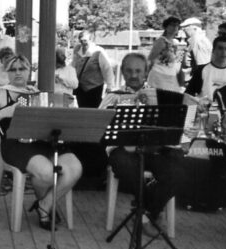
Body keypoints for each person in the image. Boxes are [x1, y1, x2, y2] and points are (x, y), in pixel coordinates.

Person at [0, 55, 82, 230]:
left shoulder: (36, 92)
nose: (18, 73)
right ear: (7, 72)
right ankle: (46, 208)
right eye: (13, 69)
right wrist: (5, 113)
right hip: (16, 144)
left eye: (22, 69)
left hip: (44, 142)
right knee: (47, 173)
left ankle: (45, 205)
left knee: (75, 168)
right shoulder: (1, 93)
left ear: (29, 71)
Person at [100, 52, 185, 236]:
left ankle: (145, 211)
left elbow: (175, 127)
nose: (134, 75)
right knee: (123, 162)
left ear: (146, 73)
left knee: (179, 168)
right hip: (124, 151)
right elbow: (99, 130)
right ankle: (149, 215)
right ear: (122, 72)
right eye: (129, 71)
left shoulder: (158, 96)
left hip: (154, 150)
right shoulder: (113, 97)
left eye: (138, 71)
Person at [185, 36, 226, 101]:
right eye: (220, 48)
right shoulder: (201, 70)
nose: (224, 52)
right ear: (213, 50)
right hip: (205, 110)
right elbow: (187, 95)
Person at [72, 30, 115, 108]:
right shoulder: (77, 51)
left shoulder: (98, 52)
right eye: (81, 41)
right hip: (81, 89)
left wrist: (109, 86)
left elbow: (107, 69)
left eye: (85, 40)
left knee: (95, 111)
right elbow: (73, 66)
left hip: (95, 88)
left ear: (91, 40)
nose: (83, 43)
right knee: (82, 110)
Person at [147, 16, 182, 92]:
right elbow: (150, 59)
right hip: (159, 77)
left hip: (171, 76)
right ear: (166, 27)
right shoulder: (161, 41)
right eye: (172, 25)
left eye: (177, 25)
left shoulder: (174, 43)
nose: (175, 27)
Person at [179, 17, 212, 84]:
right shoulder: (194, 40)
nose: (183, 30)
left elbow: (202, 65)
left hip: (195, 82)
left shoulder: (198, 41)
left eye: (185, 27)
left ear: (194, 28)